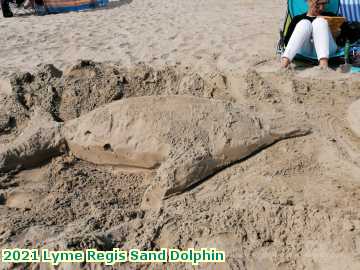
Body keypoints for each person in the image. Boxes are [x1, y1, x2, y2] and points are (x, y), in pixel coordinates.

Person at [281, 0, 338, 69]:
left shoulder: (331, 16)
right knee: (304, 23)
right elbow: (287, 42)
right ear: (309, 2)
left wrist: (338, 34)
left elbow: (350, 37)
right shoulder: (297, 19)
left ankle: (323, 64)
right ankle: (284, 63)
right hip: (305, 50)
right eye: (318, 4)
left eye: (324, 4)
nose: (321, 8)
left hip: (328, 50)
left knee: (320, 22)